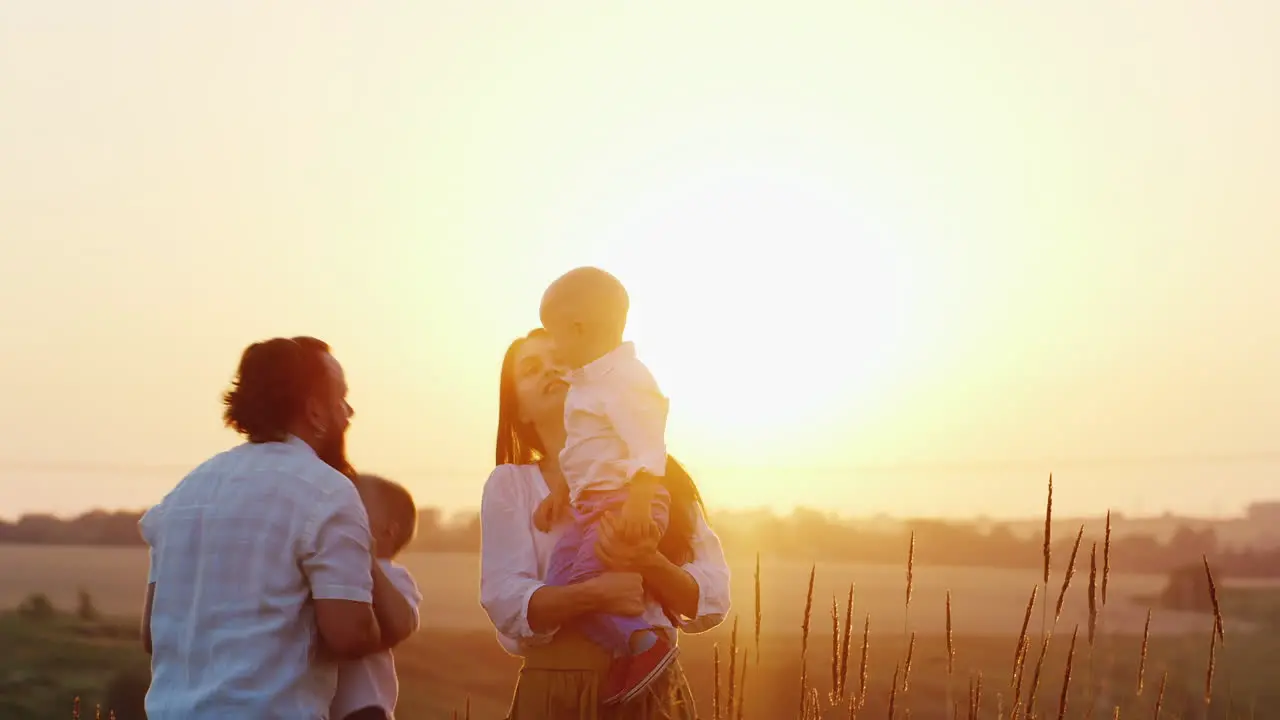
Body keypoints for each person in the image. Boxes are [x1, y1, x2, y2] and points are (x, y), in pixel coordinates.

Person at [138, 336, 418, 719]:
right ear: (315, 412)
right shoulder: (328, 492)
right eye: (341, 399)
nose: (348, 412)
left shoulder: (183, 494)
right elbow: (350, 634)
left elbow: (152, 634)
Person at [480, 327, 731, 719]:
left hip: (652, 692)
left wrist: (648, 561)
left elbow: (712, 600)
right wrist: (597, 594)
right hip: (554, 693)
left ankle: (646, 649)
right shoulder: (511, 485)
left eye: (560, 359)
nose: (551, 371)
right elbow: (506, 601)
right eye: (532, 368)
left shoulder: (659, 480)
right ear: (520, 410)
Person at [535, 267, 678, 704]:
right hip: (591, 503)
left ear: (579, 328)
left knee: (583, 581)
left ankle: (646, 644)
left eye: (554, 334)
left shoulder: (626, 379)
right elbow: (587, 454)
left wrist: (638, 502)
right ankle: (631, 647)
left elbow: (648, 442)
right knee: (561, 589)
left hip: (623, 501)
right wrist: (564, 490)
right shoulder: (586, 385)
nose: (553, 346)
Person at [331, 473, 424, 720]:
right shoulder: (330, 565)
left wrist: (367, 561)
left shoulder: (394, 576)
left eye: (355, 507)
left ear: (387, 531)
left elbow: (402, 623)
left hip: (364, 706)